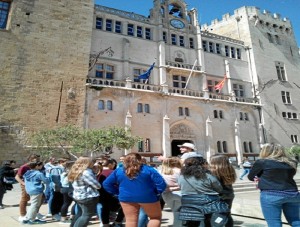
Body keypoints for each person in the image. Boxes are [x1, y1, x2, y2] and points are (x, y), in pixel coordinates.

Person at [103, 153, 167, 227]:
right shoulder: (149, 169)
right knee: (155, 218)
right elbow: (162, 184)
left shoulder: (119, 171)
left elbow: (106, 184)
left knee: (130, 220)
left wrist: (117, 193)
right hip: (148, 197)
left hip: (126, 197)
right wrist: (156, 192)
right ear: (140, 160)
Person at [248, 143, 300, 227]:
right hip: (292, 194)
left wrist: (260, 177)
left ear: (265, 151)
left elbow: (251, 176)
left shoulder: (262, 162)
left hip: (271, 194)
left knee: (274, 223)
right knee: (295, 220)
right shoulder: (292, 162)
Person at [178, 156, 228, 227]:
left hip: (188, 202)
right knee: (208, 221)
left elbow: (180, 187)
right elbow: (219, 188)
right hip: (207, 202)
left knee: (191, 223)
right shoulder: (207, 176)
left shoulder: (182, 176)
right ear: (201, 165)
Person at [68, 157, 101, 227]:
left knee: (80, 214)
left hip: (78, 195)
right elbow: (97, 186)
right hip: (87, 196)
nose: (93, 163)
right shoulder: (86, 172)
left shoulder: (75, 170)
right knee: (86, 215)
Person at [210, 154, 237, 227]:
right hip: (229, 195)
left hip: (219, 197)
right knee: (227, 214)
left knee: (218, 216)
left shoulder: (213, 173)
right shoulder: (230, 170)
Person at [15, 153, 40, 222]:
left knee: (39, 199)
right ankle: (22, 215)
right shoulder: (24, 167)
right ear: (30, 159)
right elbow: (17, 177)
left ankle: (34, 212)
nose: (37, 160)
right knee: (25, 199)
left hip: (35, 185)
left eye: (38, 159)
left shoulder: (37, 166)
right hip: (26, 185)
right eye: (36, 159)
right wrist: (23, 183)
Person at [160, 157, 182, 227]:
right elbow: (184, 184)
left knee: (175, 211)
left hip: (166, 194)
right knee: (180, 212)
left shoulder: (162, 172)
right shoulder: (180, 171)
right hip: (179, 193)